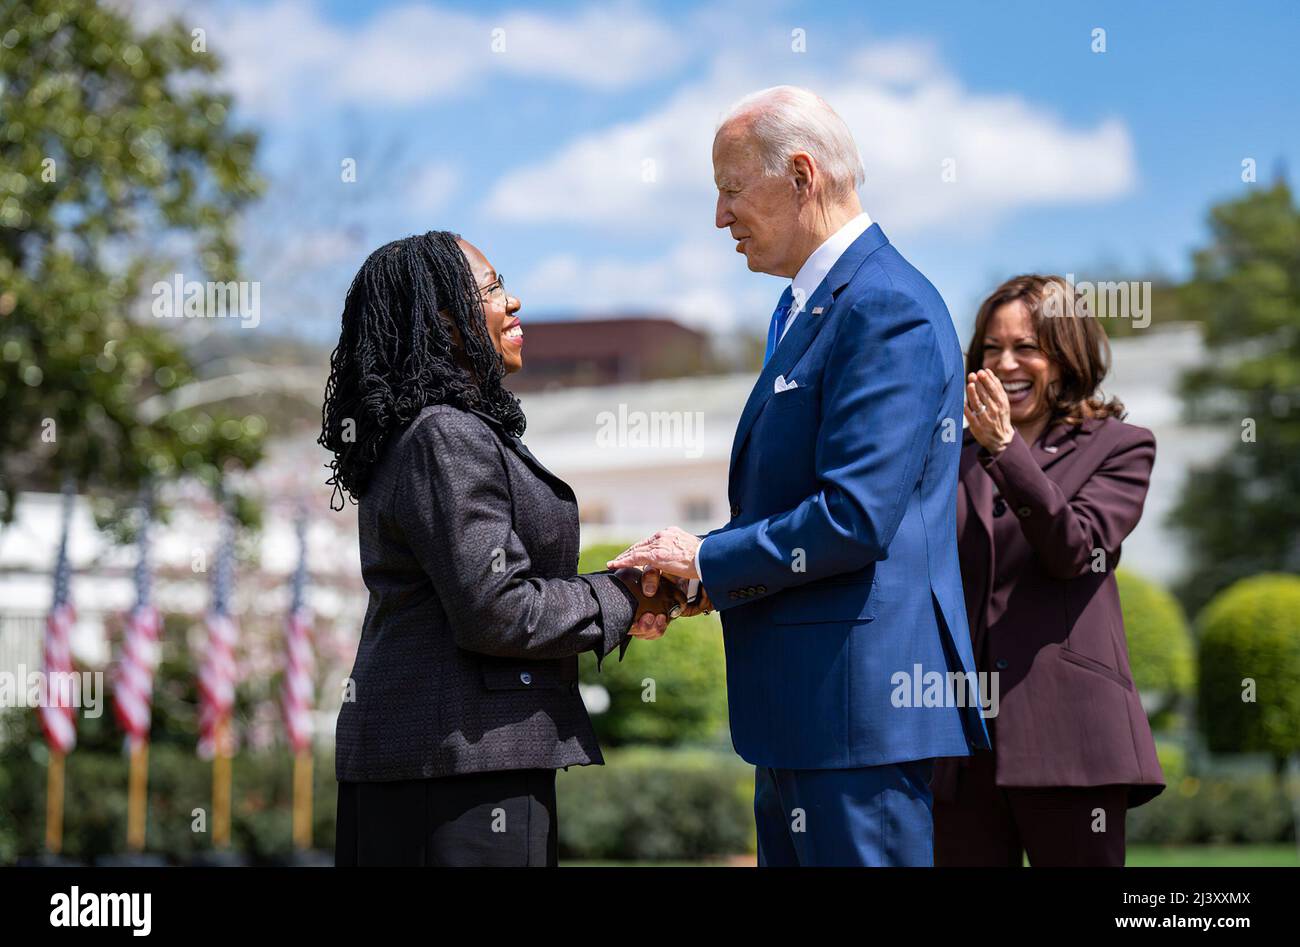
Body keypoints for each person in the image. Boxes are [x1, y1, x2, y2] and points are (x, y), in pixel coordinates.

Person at [609, 86, 988, 866]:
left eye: (730, 188)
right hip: (808, 712)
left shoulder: (887, 307)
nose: (720, 216)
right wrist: (699, 580)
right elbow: (807, 510)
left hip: (854, 714)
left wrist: (708, 558)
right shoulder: (814, 310)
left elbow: (853, 517)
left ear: (802, 175)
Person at [320, 231, 684, 866]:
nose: (513, 302)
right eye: (490, 289)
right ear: (442, 320)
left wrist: (627, 597)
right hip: (459, 770)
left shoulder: (439, 431)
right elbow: (498, 609)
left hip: (443, 766)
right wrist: (622, 593)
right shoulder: (445, 436)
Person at [932, 274, 1164, 866]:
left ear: (1065, 359)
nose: (1005, 362)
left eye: (1026, 347)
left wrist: (1005, 451)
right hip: (962, 747)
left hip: (1073, 742)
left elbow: (1073, 550)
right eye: (991, 348)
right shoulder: (948, 459)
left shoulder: (1121, 447)